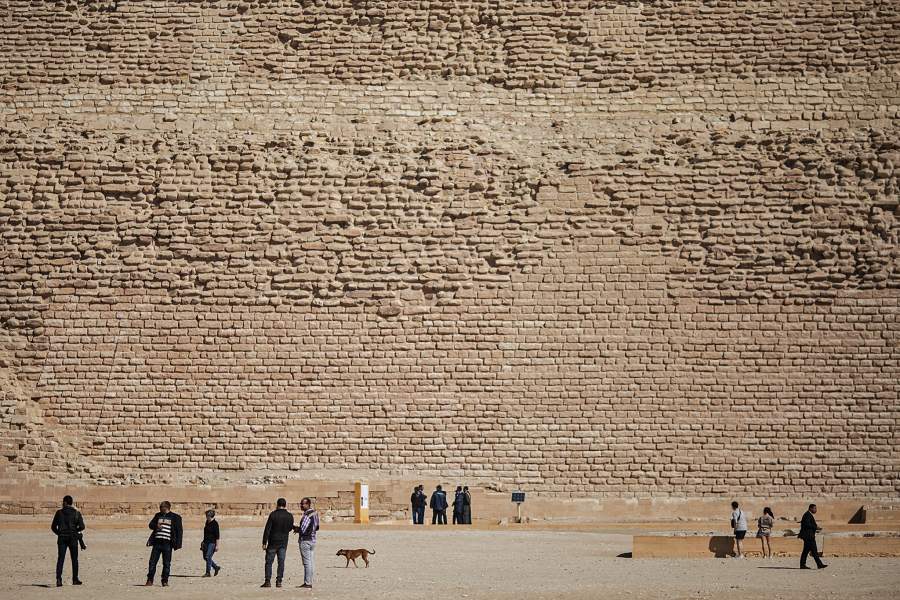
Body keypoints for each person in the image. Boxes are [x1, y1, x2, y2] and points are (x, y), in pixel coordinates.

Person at [145, 501, 183, 587]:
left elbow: (179, 531)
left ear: (166, 507)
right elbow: (150, 525)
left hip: (168, 544)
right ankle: (150, 580)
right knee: (152, 562)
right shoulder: (157, 515)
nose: (160, 509)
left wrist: (178, 544)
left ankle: (165, 581)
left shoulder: (175, 517)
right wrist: (156, 525)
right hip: (157, 543)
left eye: (161, 507)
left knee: (166, 563)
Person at [51, 495, 85, 587]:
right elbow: (82, 526)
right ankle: (75, 579)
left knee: (61, 559)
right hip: (73, 538)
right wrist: (75, 531)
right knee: (74, 559)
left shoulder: (59, 513)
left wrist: (59, 533)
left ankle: (58, 579)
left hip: (62, 538)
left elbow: (53, 527)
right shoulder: (76, 513)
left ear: (65, 502)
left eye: (63, 502)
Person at [261, 498, 294, 588]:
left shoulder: (273, 515)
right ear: (285, 505)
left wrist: (264, 542)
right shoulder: (289, 516)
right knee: (281, 562)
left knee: (269, 562)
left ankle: (267, 581)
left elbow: (267, 529)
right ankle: (279, 581)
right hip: (283, 542)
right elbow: (290, 528)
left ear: (277, 504)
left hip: (272, 542)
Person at [294, 497, 320, 589]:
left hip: (305, 540)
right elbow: (317, 527)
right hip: (313, 540)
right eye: (301, 503)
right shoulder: (315, 513)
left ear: (308, 504)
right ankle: (309, 581)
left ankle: (307, 582)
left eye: (303, 504)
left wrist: (296, 529)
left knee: (307, 563)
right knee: (311, 562)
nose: (301, 505)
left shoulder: (307, 515)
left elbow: (303, 530)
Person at [799, 504, 828, 569]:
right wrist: (816, 527)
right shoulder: (807, 515)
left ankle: (802, 565)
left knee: (806, 551)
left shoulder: (808, 514)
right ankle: (819, 564)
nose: (815, 510)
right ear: (810, 508)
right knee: (814, 551)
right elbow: (807, 524)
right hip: (809, 536)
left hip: (808, 536)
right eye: (814, 508)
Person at [201, 509, 222, 577]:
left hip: (212, 543)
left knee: (208, 556)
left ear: (210, 516)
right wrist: (203, 542)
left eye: (207, 516)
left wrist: (217, 546)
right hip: (206, 542)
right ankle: (216, 567)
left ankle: (208, 573)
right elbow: (205, 533)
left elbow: (217, 536)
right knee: (205, 557)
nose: (206, 517)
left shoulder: (215, 524)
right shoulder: (207, 522)